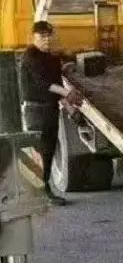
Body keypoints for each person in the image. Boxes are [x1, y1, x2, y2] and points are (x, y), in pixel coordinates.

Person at [18, 21, 82, 205]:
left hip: (51, 110)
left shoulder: (52, 59)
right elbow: (45, 84)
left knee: (49, 152)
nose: (46, 40)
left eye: (48, 36)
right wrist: (68, 93)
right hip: (35, 110)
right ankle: (39, 193)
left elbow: (57, 86)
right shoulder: (30, 57)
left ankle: (45, 190)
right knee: (39, 153)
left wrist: (72, 111)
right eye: (42, 36)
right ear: (33, 37)